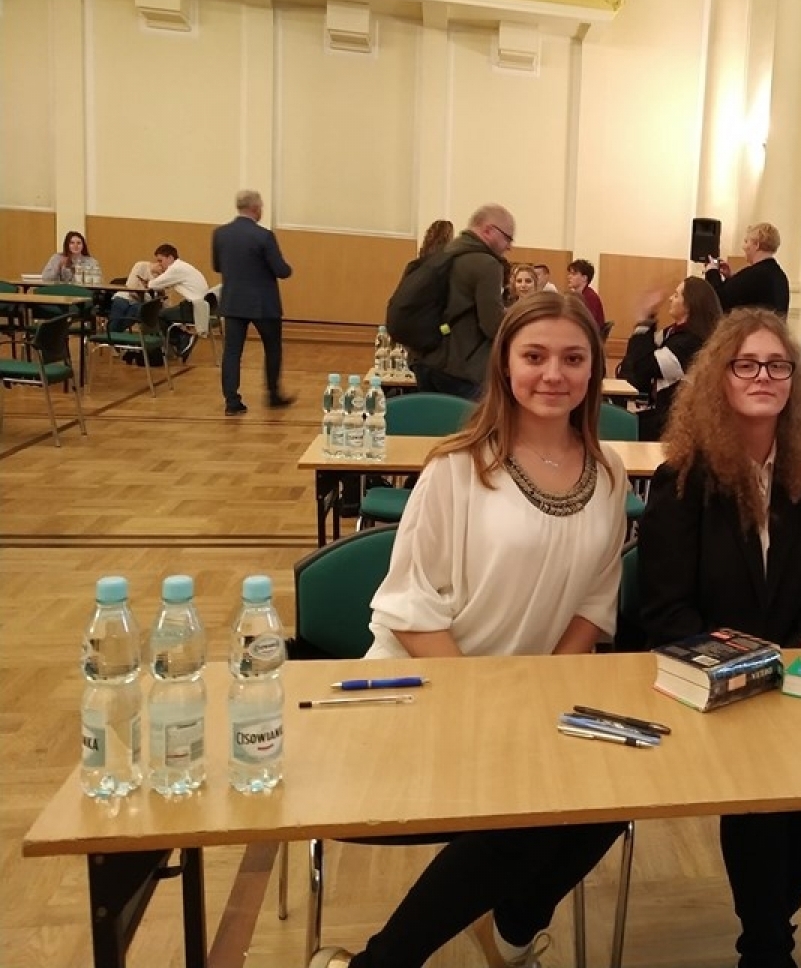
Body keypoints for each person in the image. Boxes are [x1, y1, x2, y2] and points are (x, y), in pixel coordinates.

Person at [309, 292, 629, 968]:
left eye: (573, 359)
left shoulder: (608, 473)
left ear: (593, 371)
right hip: (423, 686)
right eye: (534, 356)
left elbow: (597, 599)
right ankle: (383, 962)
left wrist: (543, 690)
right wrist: (494, 699)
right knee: (522, 809)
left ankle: (515, 922)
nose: (554, 374)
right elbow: (409, 604)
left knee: (615, 790)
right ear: (505, 367)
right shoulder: (456, 467)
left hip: (532, 696)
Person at [635, 307, 801, 968]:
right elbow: (665, 609)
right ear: (720, 379)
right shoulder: (683, 480)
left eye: (777, 365)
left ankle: (770, 917)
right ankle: (766, 942)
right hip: (705, 678)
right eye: (746, 364)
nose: (763, 376)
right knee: (763, 784)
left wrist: (791, 663)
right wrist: (738, 668)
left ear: (794, 381)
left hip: (787, 676)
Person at [412, 204, 513, 400]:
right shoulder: (487, 264)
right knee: (471, 428)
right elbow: (492, 325)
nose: (509, 246)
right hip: (462, 368)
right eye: (507, 238)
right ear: (488, 231)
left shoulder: (443, 254)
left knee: (432, 427)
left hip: (424, 361)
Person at [212, 190, 294, 416]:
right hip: (263, 303)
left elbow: (217, 266)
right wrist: (288, 266)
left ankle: (232, 401)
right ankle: (272, 394)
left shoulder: (220, 234)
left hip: (233, 301)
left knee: (232, 352)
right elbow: (281, 270)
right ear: (256, 208)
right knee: (272, 347)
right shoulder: (264, 236)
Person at [617, 276, 722, 441]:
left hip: (673, 425)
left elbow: (644, 367)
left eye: (676, 295)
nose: (671, 299)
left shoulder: (691, 343)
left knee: (619, 426)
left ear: (689, 305)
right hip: (660, 414)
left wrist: (644, 321)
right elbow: (633, 366)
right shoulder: (672, 333)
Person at [704, 222, 788, 316]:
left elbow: (718, 301)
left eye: (746, 241)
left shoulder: (753, 275)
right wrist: (730, 277)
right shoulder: (780, 276)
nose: (743, 247)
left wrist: (712, 271)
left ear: (756, 245)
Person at [145, 244, 210, 360]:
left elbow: (153, 285)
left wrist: (152, 272)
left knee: (158, 314)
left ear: (170, 258)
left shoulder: (175, 269)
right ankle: (180, 340)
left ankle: (182, 338)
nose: (159, 264)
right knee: (165, 313)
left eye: (161, 260)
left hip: (193, 307)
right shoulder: (182, 266)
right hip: (199, 305)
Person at [565, 259, 605, 330]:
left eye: (573, 274)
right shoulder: (578, 295)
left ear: (584, 278)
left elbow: (587, 323)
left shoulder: (590, 297)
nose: (569, 277)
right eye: (569, 273)